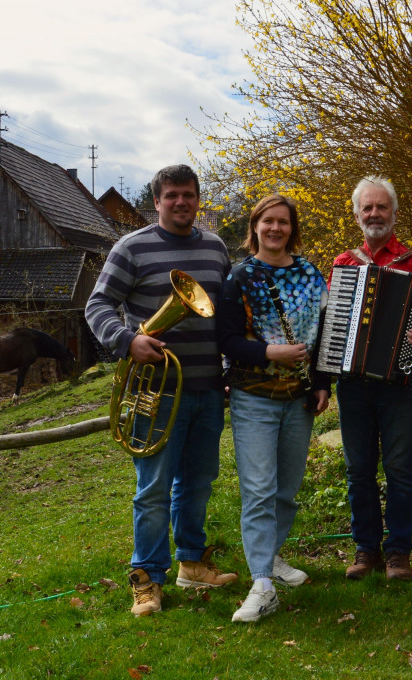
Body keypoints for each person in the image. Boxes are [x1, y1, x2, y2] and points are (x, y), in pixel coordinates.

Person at [85, 164, 236, 616]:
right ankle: (147, 578)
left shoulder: (215, 247)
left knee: (198, 482)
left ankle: (192, 562)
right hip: (157, 392)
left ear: (197, 198)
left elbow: (225, 316)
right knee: (151, 489)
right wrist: (127, 339)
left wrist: (229, 367)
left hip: (209, 388)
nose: (181, 202)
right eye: (171, 195)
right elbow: (98, 304)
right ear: (157, 201)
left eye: (188, 194)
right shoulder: (130, 247)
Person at [216, 194, 331, 623]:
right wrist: (270, 351)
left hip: (299, 400)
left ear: (292, 228)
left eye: (283, 222)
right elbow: (226, 341)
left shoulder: (309, 274)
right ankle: (262, 584)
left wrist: (323, 385)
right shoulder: (239, 277)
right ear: (255, 226)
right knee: (259, 490)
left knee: (287, 490)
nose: (276, 229)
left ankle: (272, 556)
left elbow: (325, 336)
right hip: (254, 398)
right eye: (268, 222)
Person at [331, 176, 412, 581]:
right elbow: (332, 324)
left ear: (394, 214)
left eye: (382, 207)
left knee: (399, 467)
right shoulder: (344, 264)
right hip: (354, 383)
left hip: (399, 383)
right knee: (358, 469)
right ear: (357, 214)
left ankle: (399, 552)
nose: (374, 214)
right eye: (368, 208)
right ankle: (366, 551)